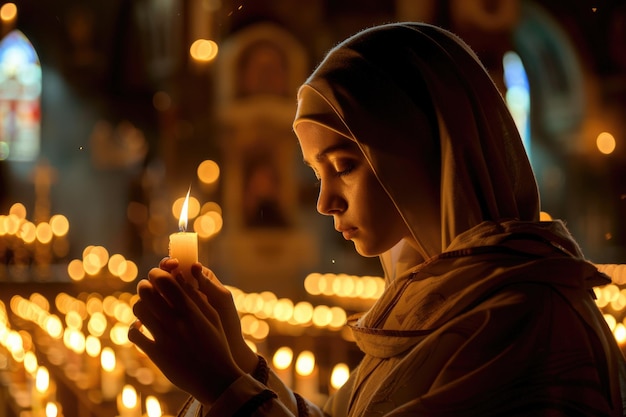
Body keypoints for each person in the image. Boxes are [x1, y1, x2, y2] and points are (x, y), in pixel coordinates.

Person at [128, 22, 626, 416]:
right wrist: (241, 362)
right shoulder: (430, 300)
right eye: (316, 172)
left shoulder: (519, 321)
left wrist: (223, 386)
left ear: (423, 154)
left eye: (344, 165)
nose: (325, 202)